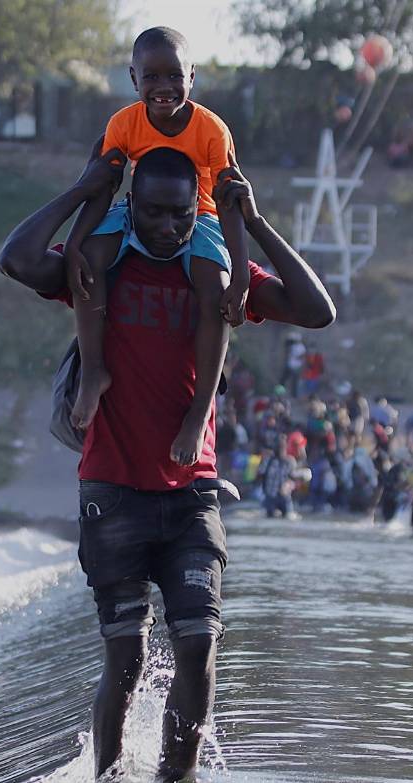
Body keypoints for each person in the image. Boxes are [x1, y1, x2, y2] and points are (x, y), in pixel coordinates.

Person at [0, 140, 335, 783]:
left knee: (199, 645)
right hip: (112, 490)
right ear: (131, 207)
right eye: (153, 213)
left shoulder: (213, 265)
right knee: (122, 660)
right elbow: (15, 259)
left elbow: (317, 310)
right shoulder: (101, 265)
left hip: (191, 494)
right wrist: (80, 189)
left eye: (181, 214)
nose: (169, 227)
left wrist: (255, 224)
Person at [63, 27, 250, 466]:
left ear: (192, 76)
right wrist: (74, 243)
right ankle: (93, 370)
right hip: (136, 212)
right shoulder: (123, 124)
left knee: (213, 286)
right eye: (151, 77)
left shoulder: (211, 130)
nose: (163, 88)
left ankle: (199, 410)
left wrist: (240, 272)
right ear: (133, 79)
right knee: (92, 259)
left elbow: (230, 200)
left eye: (174, 76)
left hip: (198, 215)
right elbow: (102, 188)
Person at [260, 436, 300, 519]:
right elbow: (260, 474)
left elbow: (295, 478)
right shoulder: (268, 460)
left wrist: (289, 485)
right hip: (270, 496)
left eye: (283, 447)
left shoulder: (290, 461)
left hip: (285, 497)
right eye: (279, 447)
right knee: (269, 518)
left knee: (289, 517)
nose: (281, 449)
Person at [282, 332, 305, 398]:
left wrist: (296, 356)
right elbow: (286, 348)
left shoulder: (301, 347)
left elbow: (302, 356)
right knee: (283, 379)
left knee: (294, 382)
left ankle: (294, 395)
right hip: (289, 365)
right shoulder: (292, 346)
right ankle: (280, 392)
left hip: (296, 366)